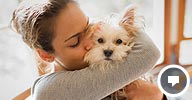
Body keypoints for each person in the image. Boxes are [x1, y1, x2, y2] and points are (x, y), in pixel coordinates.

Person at [12, 0, 163, 100]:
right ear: (45, 55)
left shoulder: (96, 66)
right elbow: (149, 52)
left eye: (88, 27)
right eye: (75, 42)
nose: (90, 42)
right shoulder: (50, 93)